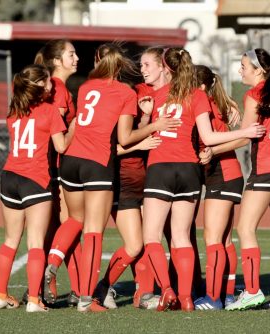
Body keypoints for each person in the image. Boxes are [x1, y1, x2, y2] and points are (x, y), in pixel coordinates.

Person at [43, 43, 181, 312]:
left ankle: (55, 261)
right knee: (94, 233)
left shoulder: (84, 88)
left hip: (71, 162)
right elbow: (124, 138)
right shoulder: (126, 93)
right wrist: (155, 124)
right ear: (121, 67)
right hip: (98, 164)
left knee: (76, 219)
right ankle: (86, 299)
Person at [140, 47, 265, 312]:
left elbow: (140, 134)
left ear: (166, 68)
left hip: (161, 167)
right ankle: (187, 298)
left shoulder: (157, 95)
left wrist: (146, 116)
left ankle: (167, 291)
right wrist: (241, 129)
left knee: (152, 236)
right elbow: (208, 137)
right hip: (189, 171)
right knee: (183, 237)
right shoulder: (198, 96)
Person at [0, 64, 75, 313]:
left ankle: (0, 295)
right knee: (36, 242)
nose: (52, 86)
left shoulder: (14, 110)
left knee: (9, 241)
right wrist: (73, 129)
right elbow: (60, 147)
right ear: (39, 85)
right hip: (35, 178)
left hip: (10, 177)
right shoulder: (49, 111)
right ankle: (35, 300)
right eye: (48, 82)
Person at [222, 48, 270, 311]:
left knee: (245, 228)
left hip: (268, 168)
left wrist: (213, 147)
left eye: (244, 65)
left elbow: (246, 137)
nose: (240, 69)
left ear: (259, 71)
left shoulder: (253, 95)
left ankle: (253, 291)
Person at [34, 39, 81, 306]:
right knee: (73, 225)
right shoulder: (59, 89)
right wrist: (79, 122)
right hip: (55, 169)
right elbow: (58, 138)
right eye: (71, 54)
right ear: (55, 61)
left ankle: (58, 287)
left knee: (58, 231)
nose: (77, 59)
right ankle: (70, 287)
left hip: (46, 169)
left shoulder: (55, 87)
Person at [192, 65, 243, 310]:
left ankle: (213, 298)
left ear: (200, 86)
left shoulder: (204, 102)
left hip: (222, 173)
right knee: (224, 240)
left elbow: (212, 137)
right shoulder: (215, 100)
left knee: (212, 238)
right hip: (228, 173)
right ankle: (228, 295)